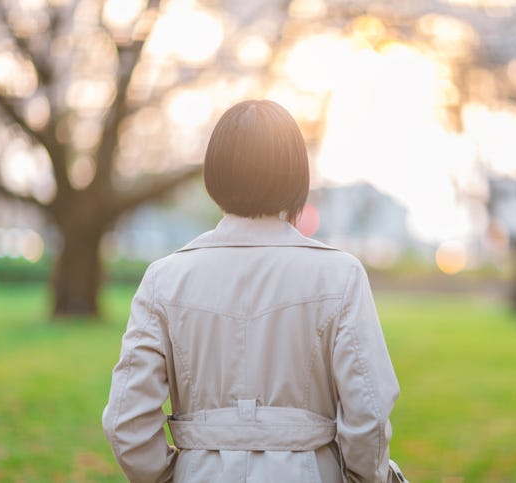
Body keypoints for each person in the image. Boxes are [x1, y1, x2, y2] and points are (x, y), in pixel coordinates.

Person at [102, 99, 400, 482]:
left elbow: (126, 419)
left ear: (215, 173)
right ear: (295, 176)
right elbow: (369, 413)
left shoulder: (165, 279)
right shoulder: (339, 275)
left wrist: (173, 474)